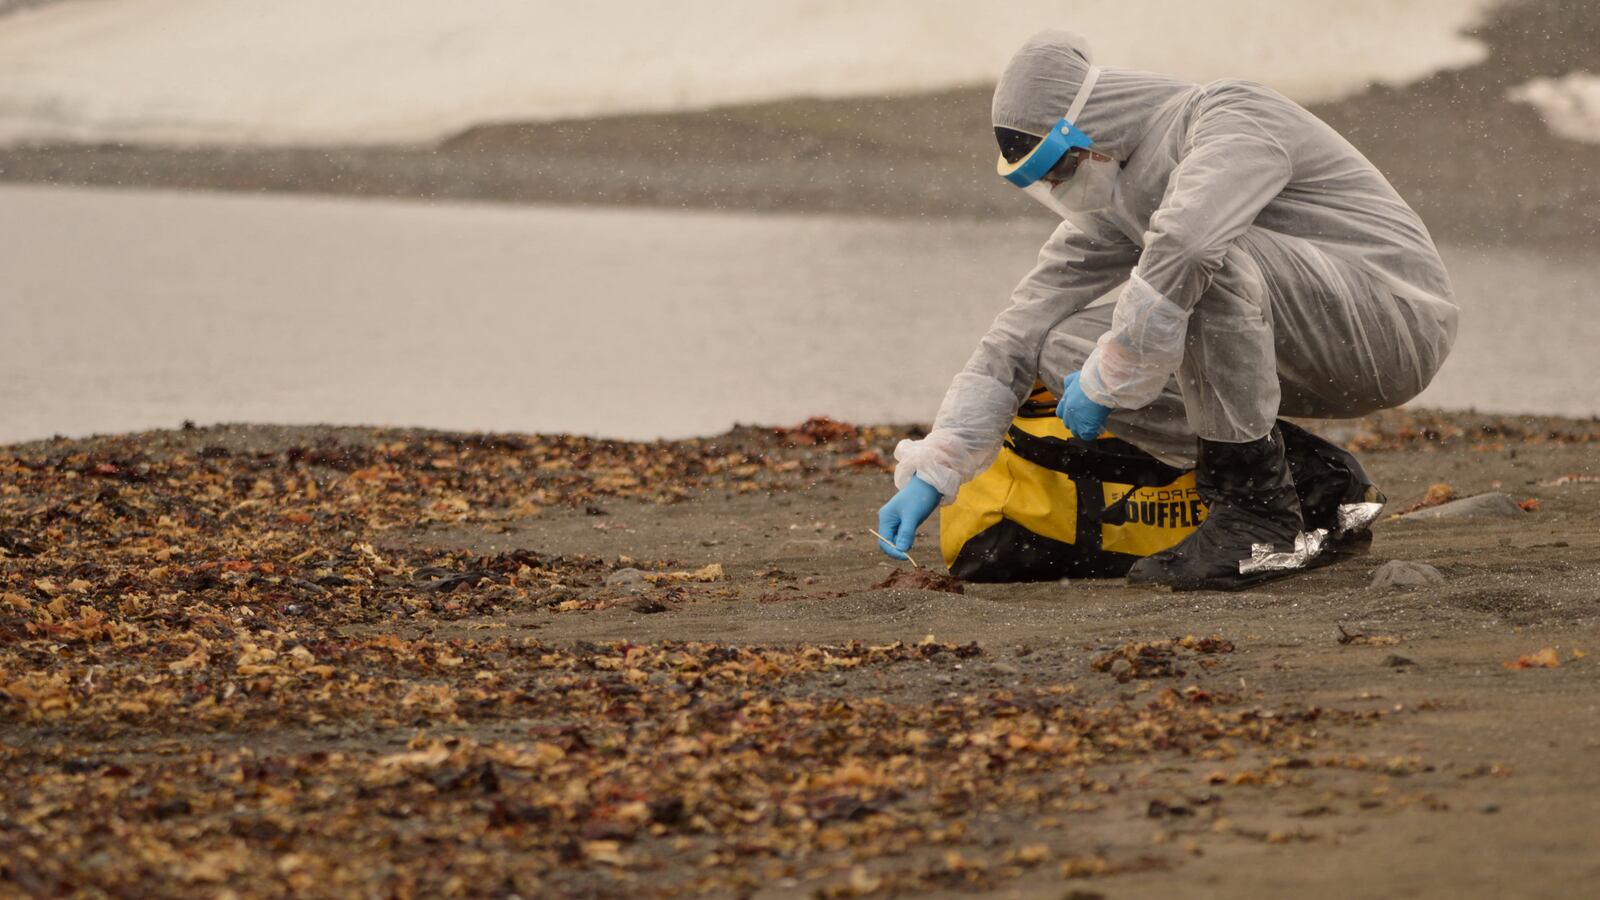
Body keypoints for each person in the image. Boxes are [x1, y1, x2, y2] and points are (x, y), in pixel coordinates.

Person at [876, 30, 1458, 591]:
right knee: (1059, 342)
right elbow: (1018, 332)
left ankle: (1256, 517)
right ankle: (1309, 482)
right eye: (1040, 181)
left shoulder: (1231, 114)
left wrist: (1112, 375)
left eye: (1057, 168)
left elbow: (1192, 246)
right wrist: (937, 466)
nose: (1058, 189)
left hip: (1397, 324)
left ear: (1090, 122)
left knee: (1195, 258)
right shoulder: (1117, 199)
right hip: (1307, 340)